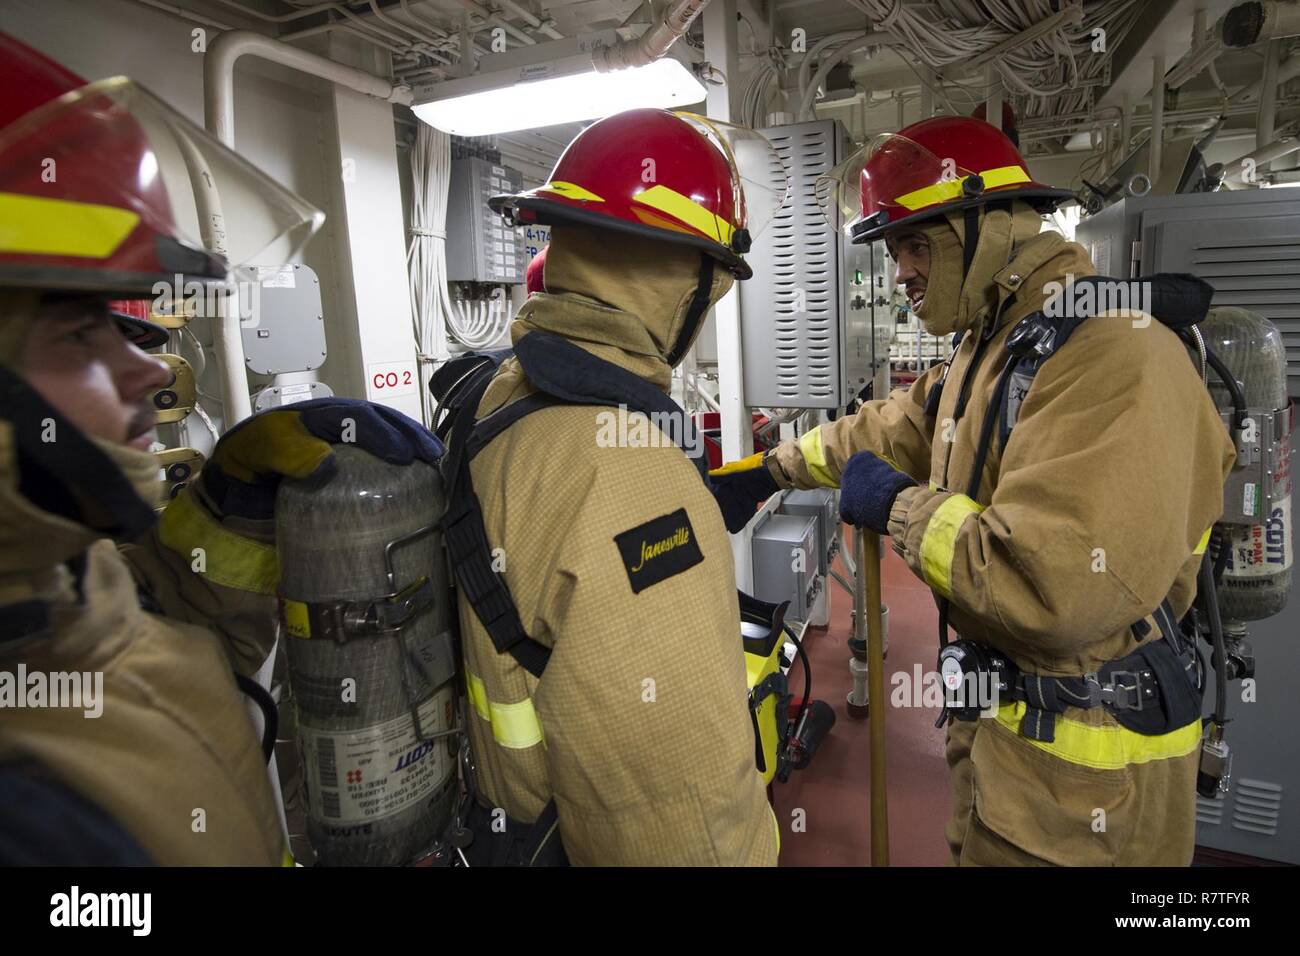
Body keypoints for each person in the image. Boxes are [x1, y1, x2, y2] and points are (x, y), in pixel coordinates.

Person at [710, 116, 1234, 866]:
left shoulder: (1116, 352)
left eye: (916, 244)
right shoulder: (1002, 343)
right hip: (1010, 753)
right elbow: (896, 427)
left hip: (1088, 790)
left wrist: (895, 504)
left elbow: (1049, 582)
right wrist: (768, 470)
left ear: (988, 224)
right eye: (895, 250)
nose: (900, 274)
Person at [0, 33, 440, 865]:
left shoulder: (63, 588)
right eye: (75, 330)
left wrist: (232, 505)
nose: (144, 369)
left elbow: (168, 640)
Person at [438, 108, 785, 865]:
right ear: (683, 278)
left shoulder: (494, 392)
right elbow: (681, 815)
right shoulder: (629, 470)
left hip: (509, 819)